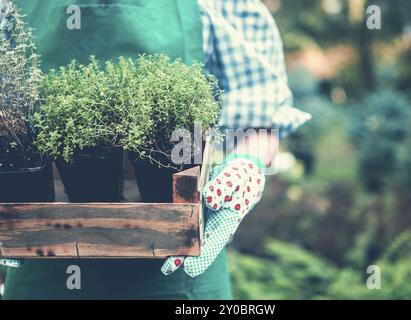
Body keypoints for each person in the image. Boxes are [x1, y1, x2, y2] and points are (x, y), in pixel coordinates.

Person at [0, 0, 310, 299]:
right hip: (41, 270)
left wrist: (247, 163)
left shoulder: (224, 3)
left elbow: (259, 120)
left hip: (180, 273)